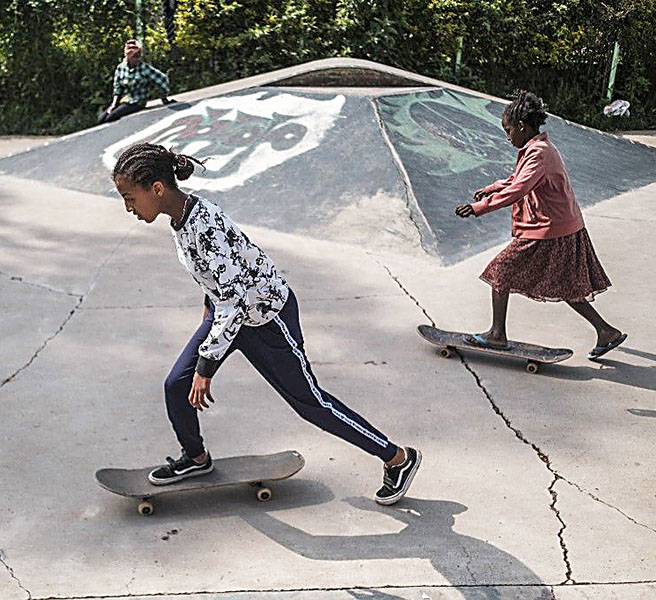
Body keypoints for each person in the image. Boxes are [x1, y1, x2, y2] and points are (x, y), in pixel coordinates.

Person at [111, 142, 421, 506]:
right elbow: (220, 284)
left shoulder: (203, 222)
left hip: (268, 319)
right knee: (176, 385)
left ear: (157, 189)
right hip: (228, 313)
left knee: (310, 404)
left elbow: (235, 297)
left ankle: (397, 457)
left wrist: (206, 365)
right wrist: (208, 320)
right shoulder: (180, 218)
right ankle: (195, 459)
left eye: (130, 197)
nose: (128, 207)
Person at [455, 90, 626, 359]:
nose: (507, 137)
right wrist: (491, 188)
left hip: (550, 230)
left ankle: (497, 335)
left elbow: (519, 188)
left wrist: (480, 208)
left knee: (501, 270)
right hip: (564, 227)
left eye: (508, 130)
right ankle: (606, 332)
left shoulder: (539, 154)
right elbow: (517, 179)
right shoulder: (538, 148)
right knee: (567, 284)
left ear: (522, 126)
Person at [98, 39, 172, 126]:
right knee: (102, 119)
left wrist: (164, 98)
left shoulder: (144, 68)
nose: (137, 59)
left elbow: (162, 79)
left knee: (111, 118)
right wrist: (113, 104)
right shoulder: (121, 68)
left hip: (137, 101)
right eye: (135, 56)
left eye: (139, 55)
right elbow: (117, 87)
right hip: (124, 100)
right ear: (128, 57)